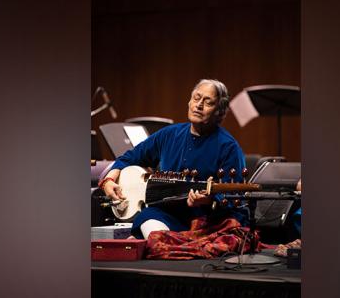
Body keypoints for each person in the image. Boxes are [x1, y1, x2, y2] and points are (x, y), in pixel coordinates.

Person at [99, 79, 247, 239]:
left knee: (225, 231)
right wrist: (108, 180)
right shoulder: (169, 134)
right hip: (170, 215)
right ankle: (163, 242)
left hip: (208, 220)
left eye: (208, 102)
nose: (199, 105)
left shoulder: (228, 147)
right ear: (189, 101)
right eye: (196, 98)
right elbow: (130, 157)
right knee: (148, 218)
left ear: (219, 111)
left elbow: (233, 195)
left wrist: (207, 199)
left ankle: (163, 244)